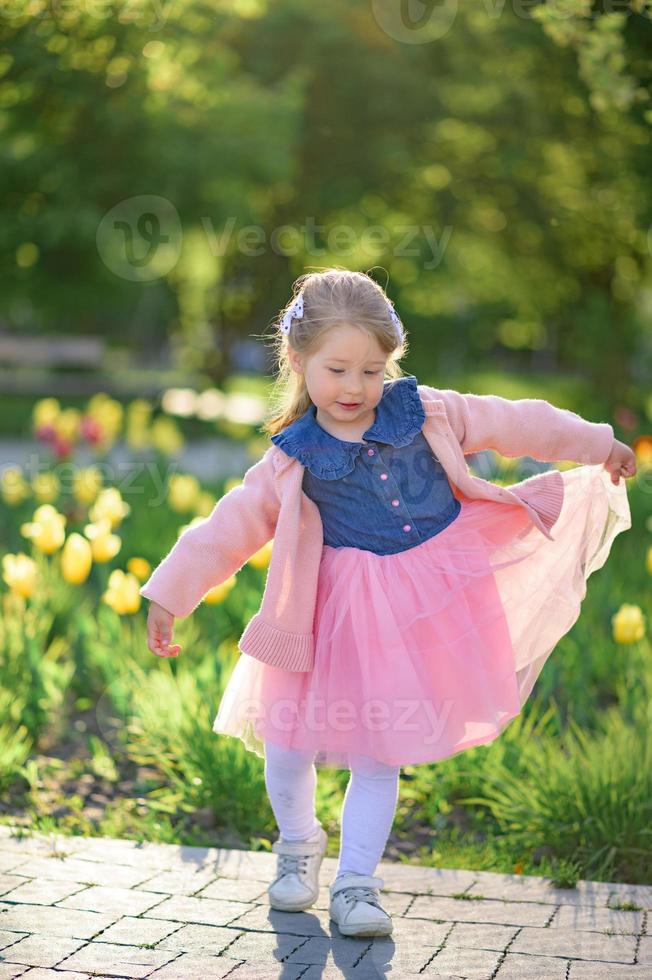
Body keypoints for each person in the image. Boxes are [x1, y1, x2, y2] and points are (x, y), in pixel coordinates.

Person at [141, 268, 635, 939]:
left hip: (417, 609)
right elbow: (228, 528)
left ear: (391, 364)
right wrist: (170, 594)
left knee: (381, 752)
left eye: (371, 371)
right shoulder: (293, 457)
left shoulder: (428, 412)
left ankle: (357, 884)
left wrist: (597, 444)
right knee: (285, 746)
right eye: (337, 369)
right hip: (320, 619)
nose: (354, 388)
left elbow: (517, 421)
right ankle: (297, 846)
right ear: (297, 361)